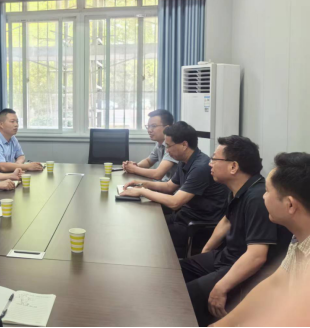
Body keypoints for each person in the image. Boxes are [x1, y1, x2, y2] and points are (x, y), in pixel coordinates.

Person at [181, 136, 288, 327]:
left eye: (214, 159)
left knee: (187, 297)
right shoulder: (237, 189)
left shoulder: (257, 198)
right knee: (177, 271)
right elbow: (227, 220)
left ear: (233, 167)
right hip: (226, 256)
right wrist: (205, 252)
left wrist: (220, 288)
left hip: (244, 267)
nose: (210, 164)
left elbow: (256, 256)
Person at [214, 152, 310, 327]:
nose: (263, 196)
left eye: (267, 191)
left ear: (290, 205)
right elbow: (276, 283)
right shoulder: (299, 236)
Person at [121, 121, 229, 258]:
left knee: (146, 236)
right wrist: (142, 184)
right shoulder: (185, 161)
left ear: (184, 145)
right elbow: (169, 186)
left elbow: (175, 203)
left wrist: (142, 191)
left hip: (197, 225)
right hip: (184, 216)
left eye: (169, 146)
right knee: (144, 224)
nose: (167, 151)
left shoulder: (200, 167)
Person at [0, 109, 44, 174]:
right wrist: (27, 166)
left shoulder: (13, 138)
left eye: (17, 122)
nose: (16, 125)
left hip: (4, 176)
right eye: (12, 121)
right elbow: (2, 167)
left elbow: (21, 156)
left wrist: (18, 164)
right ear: (1, 124)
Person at [123, 109, 178, 182]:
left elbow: (158, 174)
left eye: (153, 126)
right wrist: (134, 166)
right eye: (148, 126)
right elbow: (148, 161)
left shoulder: (173, 145)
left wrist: (134, 169)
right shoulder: (160, 143)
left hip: (172, 187)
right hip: (164, 184)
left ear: (167, 128)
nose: (149, 130)